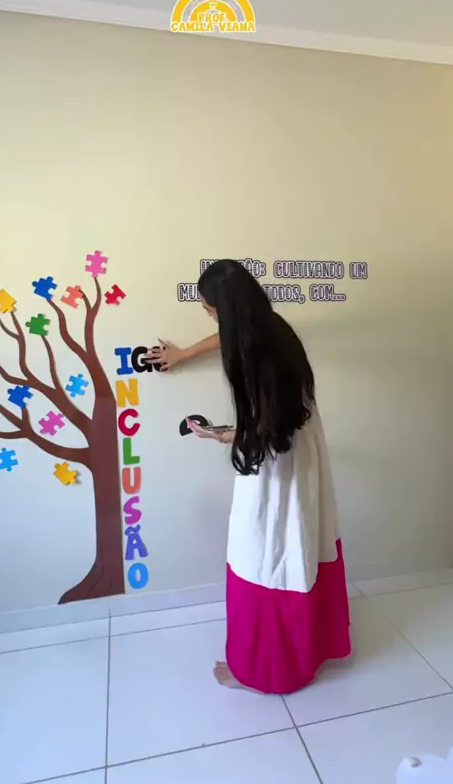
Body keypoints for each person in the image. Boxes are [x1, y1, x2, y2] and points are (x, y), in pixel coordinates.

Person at [146, 260, 351, 694]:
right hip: (301, 455)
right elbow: (232, 340)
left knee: (265, 556)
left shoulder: (259, 357)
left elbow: (269, 431)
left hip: (279, 467)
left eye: (210, 310)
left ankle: (266, 670)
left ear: (226, 309)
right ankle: (301, 652)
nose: (210, 317)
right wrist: (184, 354)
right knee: (297, 548)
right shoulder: (272, 328)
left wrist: (221, 435)